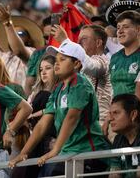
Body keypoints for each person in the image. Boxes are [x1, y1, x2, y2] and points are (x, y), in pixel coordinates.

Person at [9, 41, 109, 176]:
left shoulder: (80, 84)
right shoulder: (58, 88)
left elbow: (71, 118)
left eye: (62, 59)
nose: (57, 63)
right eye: (56, 59)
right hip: (68, 152)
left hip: (87, 153)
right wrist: (23, 153)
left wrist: (55, 149)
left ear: (76, 64)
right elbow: (43, 123)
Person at [52, 24, 113, 140]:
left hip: (100, 127)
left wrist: (65, 41)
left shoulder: (104, 61)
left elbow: (91, 66)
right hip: (83, 128)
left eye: (84, 39)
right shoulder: (79, 67)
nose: (79, 43)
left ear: (98, 43)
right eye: (78, 40)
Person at [25, 55, 58, 178]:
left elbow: (56, 107)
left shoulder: (60, 91)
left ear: (57, 69)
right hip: (36, 139)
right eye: (40, 69)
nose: (43, 72)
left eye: (47, 68)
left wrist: (33, 115)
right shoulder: (35, 93)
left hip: (49, 138)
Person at [109, 10, 140, 100]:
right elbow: (112, 90)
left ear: (138, 30)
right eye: (118, 28)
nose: (120, 31)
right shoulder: (115, 58)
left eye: (125, 27)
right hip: (117, 111)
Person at [109, 94, 140, 178]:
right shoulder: (118, 139)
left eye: (116, 113)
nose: (110, 118)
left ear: (133, 114)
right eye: (110, 114)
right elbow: (114, 174)